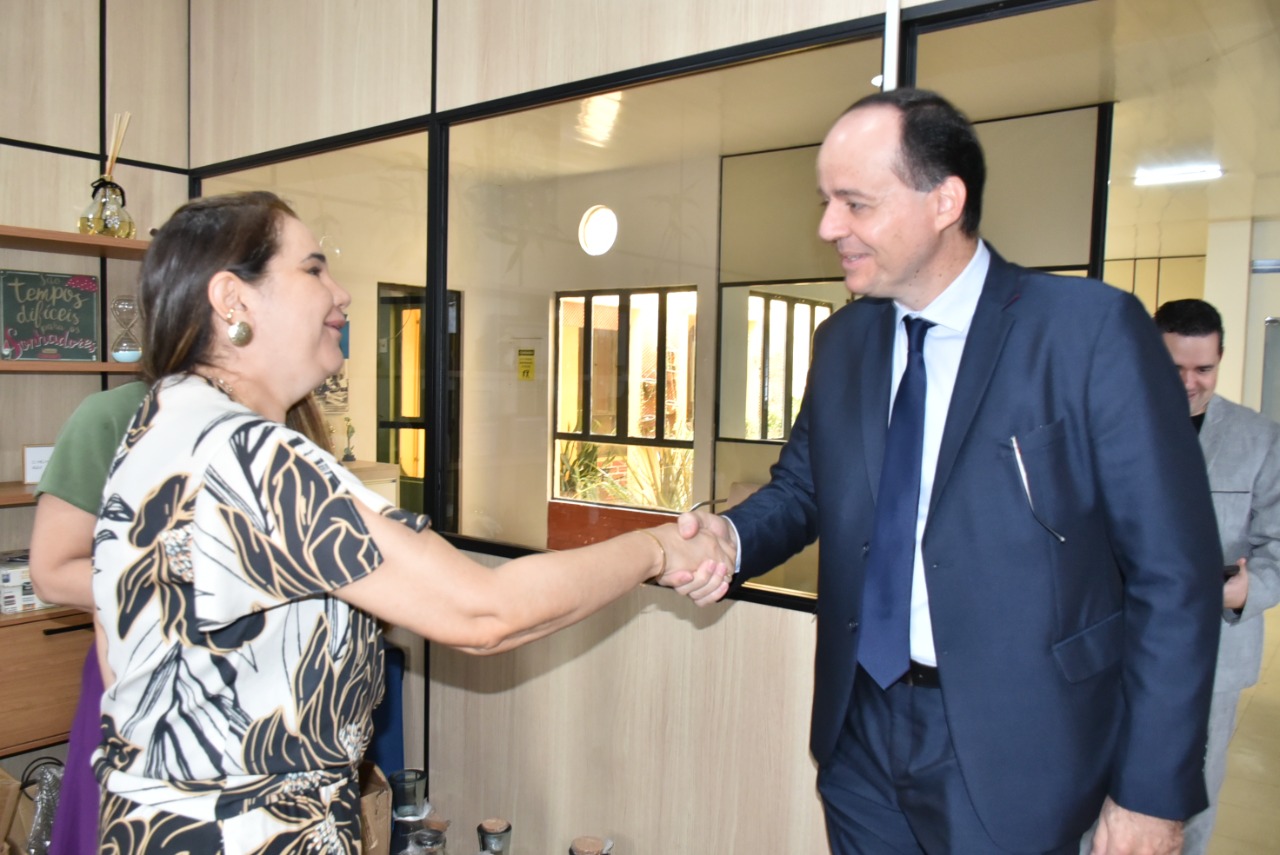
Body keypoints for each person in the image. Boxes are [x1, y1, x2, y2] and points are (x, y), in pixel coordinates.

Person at [88, 190, 733, 853]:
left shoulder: (161, 426)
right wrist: (654, 549)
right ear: (233, 299)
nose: (341, 295)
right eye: (313, 269)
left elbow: (120, 652)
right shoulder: (250, 457)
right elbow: (484, 612)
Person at [678, 88, 1221, 854]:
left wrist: (1150, 793)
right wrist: (730, 538)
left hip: (1020, 750)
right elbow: (803, 488)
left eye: (854, 203)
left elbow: (1175, 575)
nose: (828, 226)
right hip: (862, 731)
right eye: (826, 201)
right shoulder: (843, 342)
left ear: (945, 200)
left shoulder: (1088, 332)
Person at [1153, 298, 1280, 854]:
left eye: (1202, 369)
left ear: (1221, 359)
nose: (1188, 382)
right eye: (1173, 367)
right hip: (1123, 650)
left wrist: (1243, 589)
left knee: (1193, 801)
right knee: (1104, 798)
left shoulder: (1260, 440)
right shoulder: (1110, 427)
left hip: (1216, 652)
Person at [29, 380, 149, 854]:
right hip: (138, 680)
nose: (343, 300)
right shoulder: (116, 413)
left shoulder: (288, 415)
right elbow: (53, 573)